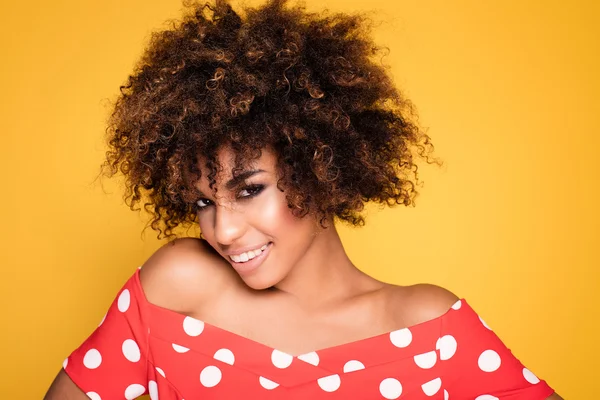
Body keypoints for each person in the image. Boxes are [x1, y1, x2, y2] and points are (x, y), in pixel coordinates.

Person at [44, 0, 563, 398]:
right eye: (204, 202)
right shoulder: (179, 288)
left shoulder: (429, 327)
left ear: (318, 167)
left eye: (249, 190)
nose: (223, 231)